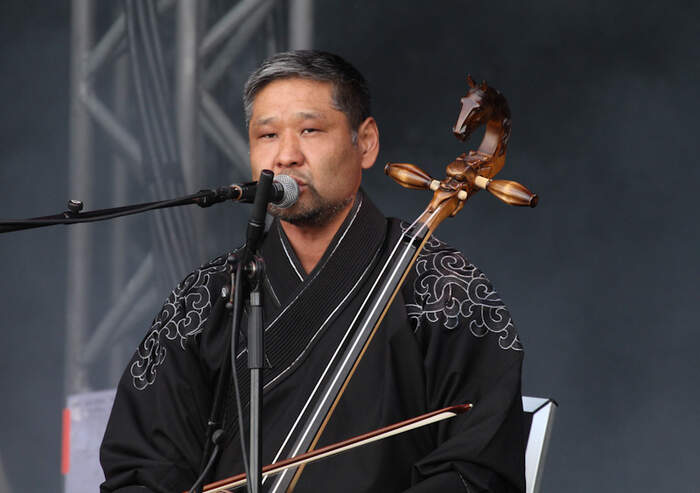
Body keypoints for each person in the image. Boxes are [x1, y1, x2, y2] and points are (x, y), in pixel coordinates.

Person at [100, 50, 526, 493]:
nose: (286, 156)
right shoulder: (207, 297)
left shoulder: (443, 289)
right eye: (266, 135)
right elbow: (141, 466)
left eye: (310, 130)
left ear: (365, 143)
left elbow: (478, 472)